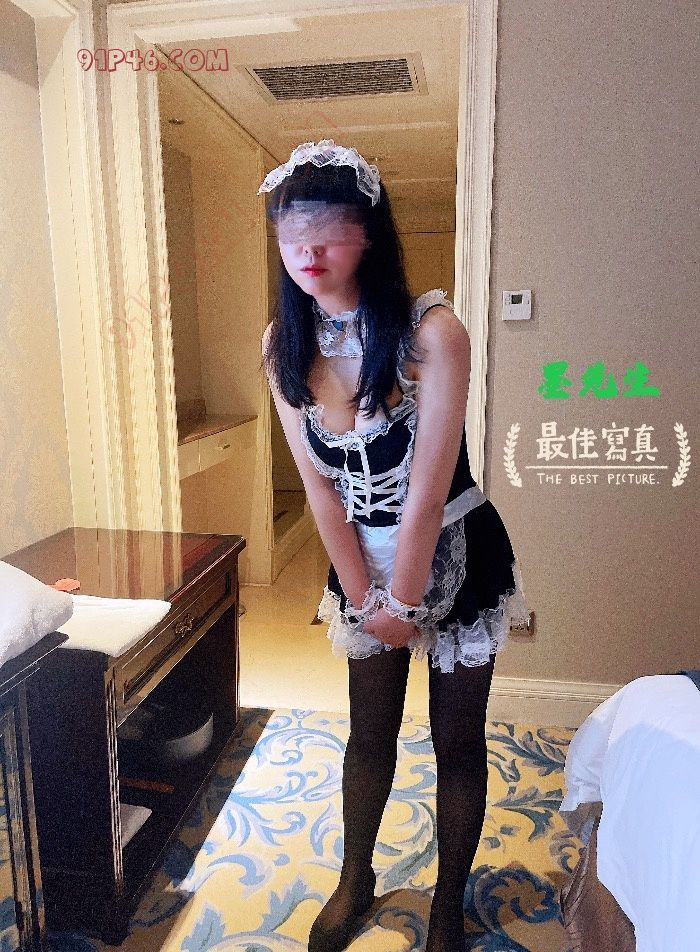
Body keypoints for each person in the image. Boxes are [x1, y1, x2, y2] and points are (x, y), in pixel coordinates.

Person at [258, 139, 529, 952]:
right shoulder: (282, 343)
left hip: (455, 551)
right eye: (292, 232)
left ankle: (447, 906)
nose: (308, 250)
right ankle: (356, 879)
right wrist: (362, 596)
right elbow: (319, 488)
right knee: (368, 732)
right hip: (361, 558)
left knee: (458, 741)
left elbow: (427, 490)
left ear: (369, 234)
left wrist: (403, 601)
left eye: (329, 229)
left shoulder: (432, 333)